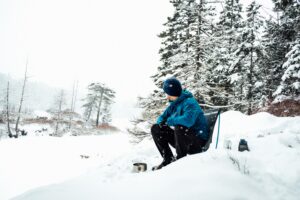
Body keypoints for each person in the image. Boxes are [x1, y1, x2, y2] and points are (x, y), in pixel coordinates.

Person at [151, 77, 208, 170]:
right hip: (184, 139)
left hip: (197, 142)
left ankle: (179, 163)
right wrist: (162, 122)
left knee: (180, 126)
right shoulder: (175, 103)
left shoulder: (190, 103)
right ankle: (168, 159)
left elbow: (188, 121)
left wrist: (170, 120)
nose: (167, 96)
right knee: (156, 128)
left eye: (168, 94)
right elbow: (162, 117)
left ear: (174, 93)